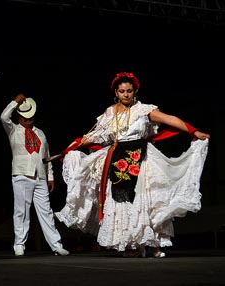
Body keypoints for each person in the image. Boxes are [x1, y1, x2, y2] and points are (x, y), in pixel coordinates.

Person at [54, 71, 210, 258]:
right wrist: (70, 148)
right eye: (122, 91)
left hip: (141, 157)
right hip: (117, 158)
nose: (125, 94)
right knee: (123, 201)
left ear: (135, 91)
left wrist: (194, 131)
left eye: (129, 91)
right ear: (116, 92)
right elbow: (94, 136)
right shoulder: (110, 113)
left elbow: (170, 119)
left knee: (148, 199)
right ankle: (134, 245)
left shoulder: (144, 110)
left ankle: (154, 245)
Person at [1, 93, 69, 257]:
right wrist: (13, 102)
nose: (28, 120)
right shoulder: (14, 130)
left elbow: (47, 156)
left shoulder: (40, 133)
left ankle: (56, 245)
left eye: (31, 117)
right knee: (21, 211)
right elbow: (3, 117)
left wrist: (50, 176)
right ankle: (19, 244)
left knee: (46, 211)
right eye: (25, 117)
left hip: (40, 176)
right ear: (19, 117)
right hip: (22, 174)